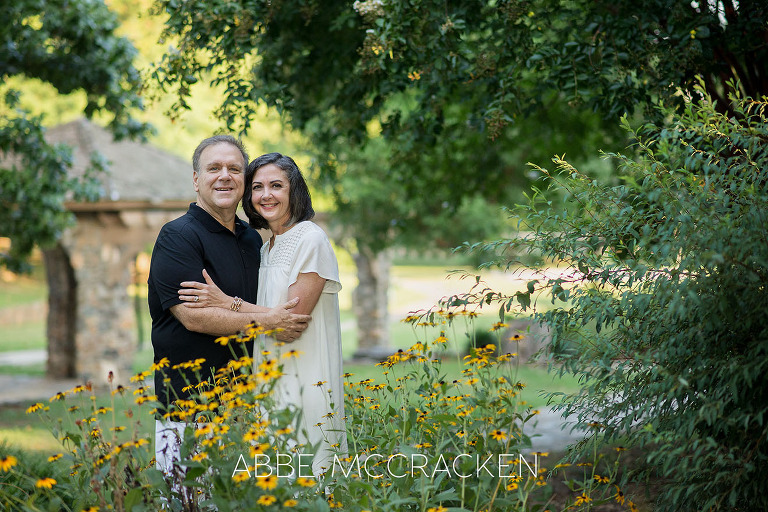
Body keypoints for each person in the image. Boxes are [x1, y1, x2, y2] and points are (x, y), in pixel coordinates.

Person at [147, 136, 312, 475]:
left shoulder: (252, 239)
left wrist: (234, 306)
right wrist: (273, 321)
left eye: (234, 169)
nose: (224, 176)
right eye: (214, 168)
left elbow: (253, 305)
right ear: (196, 179)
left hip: (246, 409)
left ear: (243, 183)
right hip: (190, 409)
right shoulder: (178, 237)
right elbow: (195, 317)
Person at [178, 152, 346, 475]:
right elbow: (271, 317)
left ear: (293, 190)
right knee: (274, 482)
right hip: (270, 384)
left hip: (305, 380)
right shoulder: (266, 245)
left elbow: (288, 327)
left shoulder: (311, 239)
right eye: (257, 187)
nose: (266, 195)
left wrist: (228, 302)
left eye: (276, 185)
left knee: (307, 475)